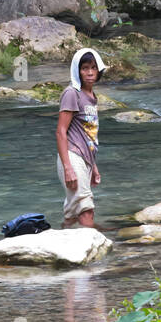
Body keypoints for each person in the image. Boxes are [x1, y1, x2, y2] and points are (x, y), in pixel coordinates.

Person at [56, 47, 106, 228]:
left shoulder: (92, 96)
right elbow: (61, 131)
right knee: (86, 208)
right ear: (77, 70)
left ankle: (62, 245)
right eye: (85, 68)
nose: (90, 72)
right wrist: (68, 167)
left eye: (94, 68)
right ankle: (97, 256)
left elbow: (88, 135)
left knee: (72, 214)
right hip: (72, 157)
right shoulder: (72, 93)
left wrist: (93, 167)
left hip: (85, 159)